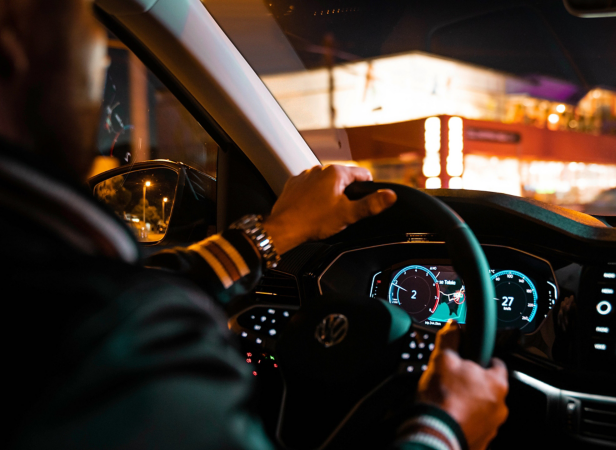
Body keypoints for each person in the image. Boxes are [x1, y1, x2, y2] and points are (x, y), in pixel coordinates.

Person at [0, 1, 508, 449]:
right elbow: (132, 303)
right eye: (88, 18)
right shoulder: (120, 338)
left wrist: (279, 230)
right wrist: (446, 427)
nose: (99, 57)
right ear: (11, 51)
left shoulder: (61, 292)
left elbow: (156, 285)